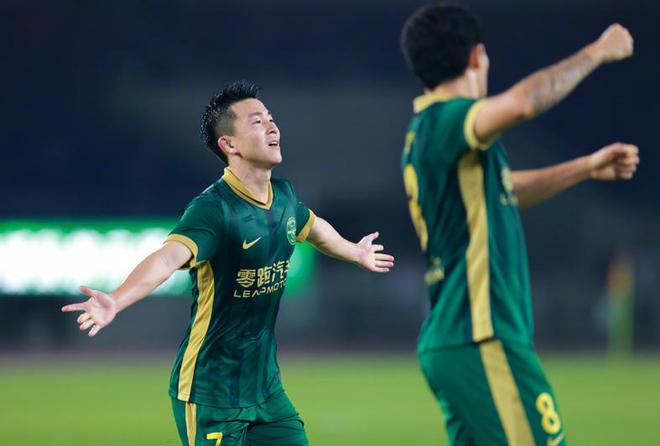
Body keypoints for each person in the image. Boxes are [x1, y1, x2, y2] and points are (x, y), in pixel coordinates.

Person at [62, 80, 395, 446]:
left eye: (271, 118)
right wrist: (117, 299)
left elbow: (314, 228)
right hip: (211, 393)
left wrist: (354, 251)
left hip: (266, 390)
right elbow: (167, 258)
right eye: (257, 121)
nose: (272, 126)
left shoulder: (284, 196)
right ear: (229, 144)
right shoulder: (214, 209)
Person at [399, 3, 638, 445]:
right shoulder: (448, 118)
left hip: (455, 340)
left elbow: (505, 190)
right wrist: (598, 51)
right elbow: (522, 104)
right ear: (476, 56)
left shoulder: (424, 133)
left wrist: (585, 167)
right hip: (482, 337)